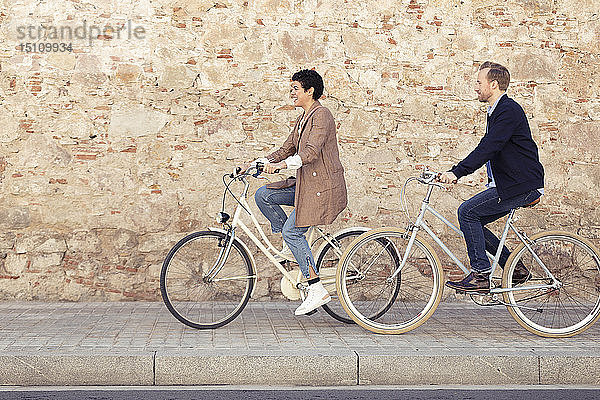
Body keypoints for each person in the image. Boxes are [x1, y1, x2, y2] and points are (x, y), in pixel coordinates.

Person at [244, 69, 348, 315]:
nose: (291, 93)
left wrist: (280, 166)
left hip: (322, 189)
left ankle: (316, 289)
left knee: (293, 231)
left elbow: (310, 152)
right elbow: (287, 147)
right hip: (306, 187)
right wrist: (259, 162)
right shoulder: (304, 117)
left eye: (295, 89)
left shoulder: (322, 115)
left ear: (309, 91)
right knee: (264, 195)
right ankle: (292, 247)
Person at [438, 61, 544, 293]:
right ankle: (514, 268)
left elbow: (490, 147)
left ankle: (480, 275)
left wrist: (457, 172)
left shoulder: (508, 110)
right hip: (512, 183)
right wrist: (456, 170)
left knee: (467, 212)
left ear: (493, 84)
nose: (475, 87)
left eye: (479, 82)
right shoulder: (497, 110)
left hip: (520, 185)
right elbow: (489, 147)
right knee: (473, 221)